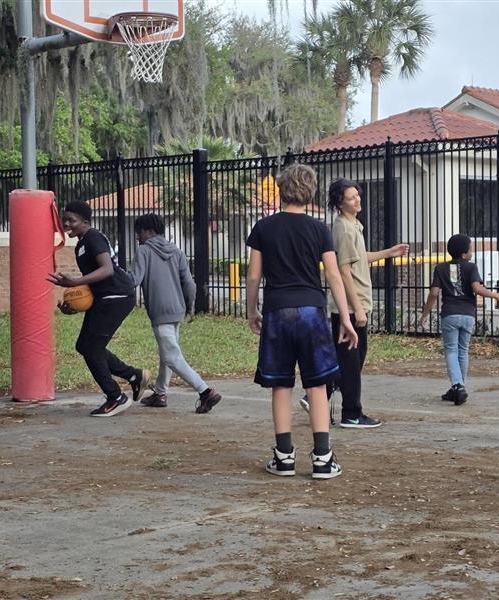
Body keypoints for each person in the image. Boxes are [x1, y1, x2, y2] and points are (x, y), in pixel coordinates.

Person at [246, 164, 358, 480]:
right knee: (317, 384)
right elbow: (334, 275)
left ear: (281, 189)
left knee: (281, 383)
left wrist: (251, 310)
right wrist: (346, 318)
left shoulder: (263, 228)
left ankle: (284, 458)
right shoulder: (319, 229)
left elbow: (254, 275)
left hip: (277, 311)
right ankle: (322, 459)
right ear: (311, 193)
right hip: (312, 312)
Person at [302, 178, 408, 429]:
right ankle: (351, 412)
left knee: (350, 360)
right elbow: (344, 270)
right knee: (351, 361)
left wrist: (389, 252)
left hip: (356, 303)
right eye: (351, 197)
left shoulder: (354, 226)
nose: (357, 200)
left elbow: (359, 258)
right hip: (349, 306)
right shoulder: (344, 229)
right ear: (340, 202)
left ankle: (319, 395)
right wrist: (356, 308)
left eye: (358, 195)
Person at [48, 200, 149, 417]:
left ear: (85, 221)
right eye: (64, 219)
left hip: (117, 295)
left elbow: (107, 270)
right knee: (85, 345)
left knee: (91, 347)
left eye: (71, 220)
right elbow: (92, 285)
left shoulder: (93, 237)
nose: (67, 224)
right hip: (105, 297)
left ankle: (116, 397)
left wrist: (75, 282)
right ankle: (134, 376)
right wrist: (74, 304)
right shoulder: (81, 244)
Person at [128, 213, 222, 413]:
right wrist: (190, 305)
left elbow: (134, 280)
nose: (138, 237)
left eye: (140, 232)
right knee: (167, 354)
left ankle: (205, 391)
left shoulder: (144, 251)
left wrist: (115, 278)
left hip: (160, 311)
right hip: (177, 309)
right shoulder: (177, 251)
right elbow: (189, 283)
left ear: (150, 231)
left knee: (171, 356)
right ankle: (160, 393)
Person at [420, 234, 499, 405]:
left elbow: (434, 293)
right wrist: (496, 295)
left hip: (449, 314)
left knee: (451, 350)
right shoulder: (471, 267)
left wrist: (425, 313)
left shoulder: (441, 268)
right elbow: (477, 289)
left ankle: (457, 386)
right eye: (471, 248)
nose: (472, 251)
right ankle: (459, 387)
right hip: (467, 314)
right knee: (463, 350)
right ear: (465, 253)